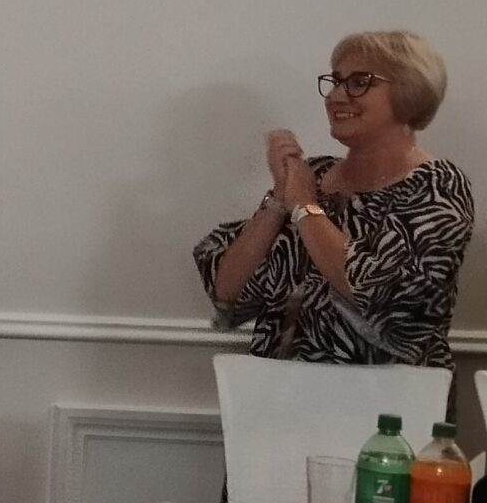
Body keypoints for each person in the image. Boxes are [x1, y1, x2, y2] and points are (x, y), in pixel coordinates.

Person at [196, 32, 472, 367]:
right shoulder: (313, 174)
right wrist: (279, 200)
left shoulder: (438, 186)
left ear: (410, 91)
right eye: (336, 81)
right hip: (281, 391)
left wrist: (305, 207)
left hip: (389, 395)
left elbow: (391, 302)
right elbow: (227, 295)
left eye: (359, 82)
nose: (336, 96)